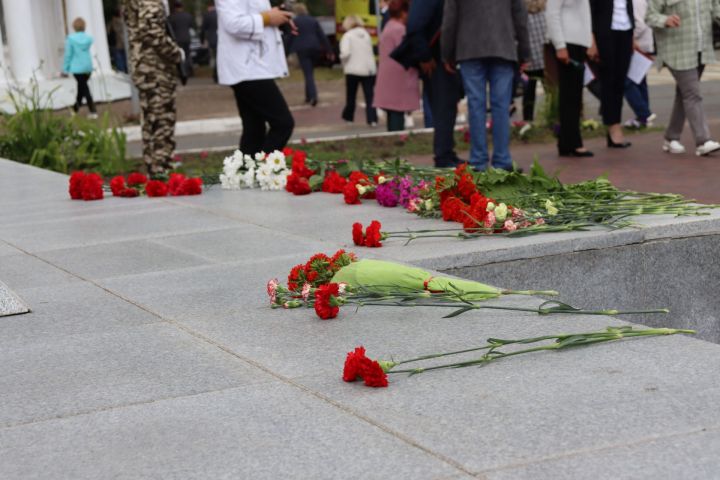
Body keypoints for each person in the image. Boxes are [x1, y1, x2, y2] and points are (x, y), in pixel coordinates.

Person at [442, 0, 529, 171]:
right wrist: (524, 53)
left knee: (476, 106)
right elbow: (520, 17)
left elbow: (449, 20)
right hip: (503, 46)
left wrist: (447, 54)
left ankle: (478, 161)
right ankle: (502, 161)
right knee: (501, 106)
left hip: (469, 49)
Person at [216, 0, 295, 155]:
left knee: (254, 129)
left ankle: (245, 173)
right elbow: (233, 23)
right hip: (247, 68)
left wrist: (276, 16)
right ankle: (260, 171)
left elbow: (248, 14)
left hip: (253, 67)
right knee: (282, 123)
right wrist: (267, 17)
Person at [647, 0, 720, 156]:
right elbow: (650, 16)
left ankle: (671, 137)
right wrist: (665, 20)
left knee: (684, 94)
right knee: (692, 93)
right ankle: (703, 141)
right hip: (677, 50)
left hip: (702, 49)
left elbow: (716, 9)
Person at [124, 0, 183, 173]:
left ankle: (154, 169)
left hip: (145, 70)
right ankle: (161, 171)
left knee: (151, 122)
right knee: (162, 122)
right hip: (156, 71)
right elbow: (152, 33)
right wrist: (177, 53)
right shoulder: (150, 3)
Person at [405, 0, 463, 168]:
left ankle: (446, 152)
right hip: (435, 59)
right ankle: (443, 155)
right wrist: (424, 56)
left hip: (440, 56)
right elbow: (414, 27)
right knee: (443, 105)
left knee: (448, 104)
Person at [546, 0, 594, 157]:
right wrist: (560, 45)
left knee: (574, 96)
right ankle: (572, 142)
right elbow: (552, 14)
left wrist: (589, 40)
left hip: (579, 43)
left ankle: (568, 142)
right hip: (567, 42)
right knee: (569, 95)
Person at [590, 0, 633, 149]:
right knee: (609, 80)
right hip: (605, 33)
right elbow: (591, 10)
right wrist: (592, 40)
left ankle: (615, 122)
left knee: (620, 82)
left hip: (626, 30)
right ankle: (613, 125)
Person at [374, 0, 418, 132]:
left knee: (392, 113)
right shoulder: (399, 29)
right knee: (397, 114)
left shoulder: (389, 26)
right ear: (403, 13)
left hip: (388, 78)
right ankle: (397, 139)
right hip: (398, 79)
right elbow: (407, 51)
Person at [288, 3, 333, 106]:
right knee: (309, 73)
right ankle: (308, 96)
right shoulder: (313, 20)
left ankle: (313, 96)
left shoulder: (295, 22)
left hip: (302, 49)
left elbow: (290, 37)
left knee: (308, 73)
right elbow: (322, 36)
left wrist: (286, 51)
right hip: (315, 48)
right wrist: (329, 50)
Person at [339, 15, 378, 126]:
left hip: (353, 69)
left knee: (351, 96)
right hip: (368, 69)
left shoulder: (347, 36)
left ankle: (349, 117)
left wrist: (343, 61)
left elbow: (345, 53)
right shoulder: (366, 34)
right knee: (369, 96)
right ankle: (372, 119)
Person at [622, 0, 655, 129]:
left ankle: (644, 114)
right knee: (640, 81)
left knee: (627, 82)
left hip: (636, 46)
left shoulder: (634, 2)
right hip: (643, 45)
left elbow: (639, 24)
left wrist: (627, 36)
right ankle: (643, 118)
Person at [63, 17, 98, 119]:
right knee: (82, 88)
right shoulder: (88, 39)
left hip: (77, 68)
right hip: (87, 67)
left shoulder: (71, 39)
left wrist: (65, 68)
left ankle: (93, 110)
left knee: (84, 88)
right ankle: (75, 110)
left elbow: (68, 55)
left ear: (74, 27)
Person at [523, 0, 547, 122]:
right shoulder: (546, 8)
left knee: (529, 94)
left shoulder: (522, 11)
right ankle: (554, 119)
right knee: (551, 92)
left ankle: (527, 122)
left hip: (529, 59)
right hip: (545, 57)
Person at [168, 0, 194, 77]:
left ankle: (182, 72)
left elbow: (170, 29)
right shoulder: (188, 16)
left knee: (179, 55)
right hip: (187, 38)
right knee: (187, 55)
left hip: (177, 39)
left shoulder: (172, 17)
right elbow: (190, 26)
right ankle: (189, 71)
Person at [200, 0, 218, 83]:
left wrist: (202, 40)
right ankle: (218, 74)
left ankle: (215, 75)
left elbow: (203, 29)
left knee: (214, 57)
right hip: (221, 39)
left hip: (212, 39)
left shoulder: (207, 15)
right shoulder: (220, 14)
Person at [107, 9, 128, 73]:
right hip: (122, 43)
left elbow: (108, 31)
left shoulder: (111, 23)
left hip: (115, 44)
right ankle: (125, 70)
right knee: (124, 59)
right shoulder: (123, 22)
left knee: (119, 60)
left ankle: (121, 72)